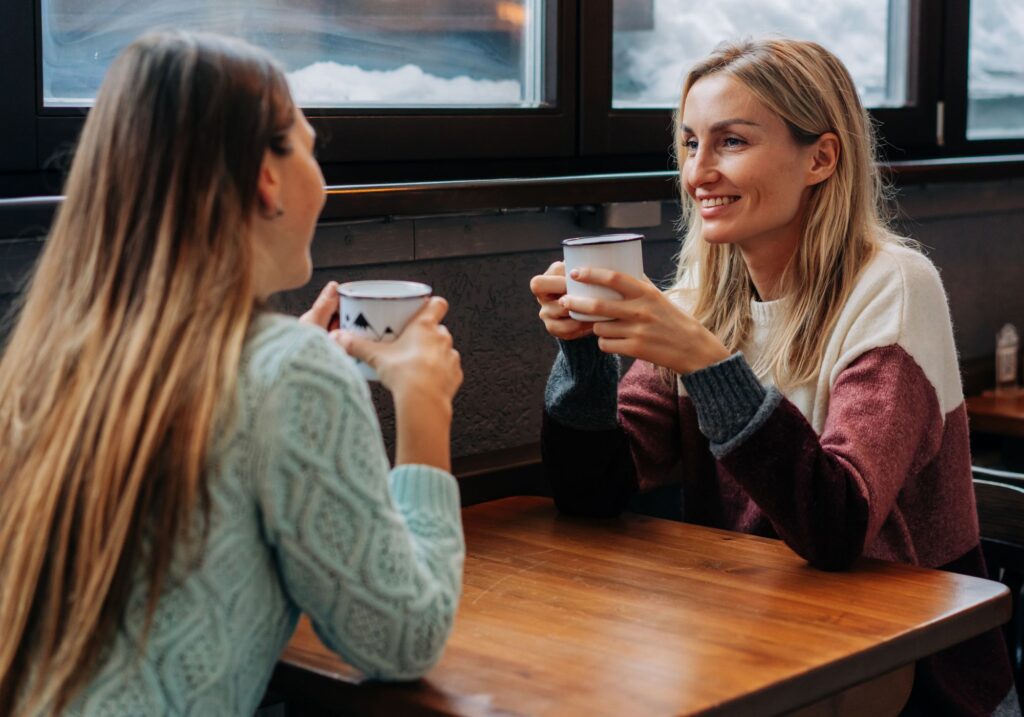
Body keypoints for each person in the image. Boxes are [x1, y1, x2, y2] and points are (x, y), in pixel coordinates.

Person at [531, 38, 1017, 716]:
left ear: (820, 157)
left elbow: (837, 525)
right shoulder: (702, 292)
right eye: (689, 143)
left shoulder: (895, 287)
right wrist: (584, 353)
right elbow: (594, 490)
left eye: (730, 142)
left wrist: (706, 363)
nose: (698, 172)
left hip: (911, 670)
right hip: (751, 637)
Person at [0, 31, 464, 716]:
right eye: (309, 144)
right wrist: (424, 404)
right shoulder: (288, 374)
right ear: (265, 177)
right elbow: (405, 637)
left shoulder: (43, 363)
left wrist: (283, 381)